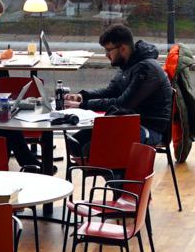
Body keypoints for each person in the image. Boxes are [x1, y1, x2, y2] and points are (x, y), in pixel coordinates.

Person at [65, 23, 173, 157]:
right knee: (75, 143)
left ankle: (121, 177)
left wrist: (83, 105)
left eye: (108, 50)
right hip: (127, 122)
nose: (106, 55)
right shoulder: (128, 65)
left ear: (123, 48)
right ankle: (115, 174)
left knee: (92, 148)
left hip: (149, 127)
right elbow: (110, 91)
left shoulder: (146, 69)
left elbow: (124, 103)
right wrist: (82, 96)